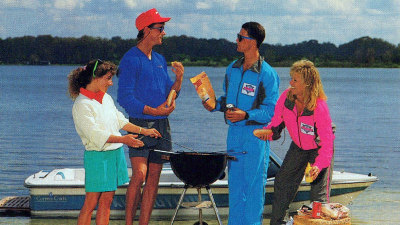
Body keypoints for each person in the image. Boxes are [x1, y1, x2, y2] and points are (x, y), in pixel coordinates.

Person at [202, 22, 280, 225]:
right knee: (235, 189)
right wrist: (214, 105)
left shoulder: (268, 74)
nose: (236, 40)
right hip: (234, 137)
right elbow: (227, 101)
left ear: (253, 42)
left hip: (255, 137)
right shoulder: (232, 69)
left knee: (253, 190)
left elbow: (270, 112)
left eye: (240, 37)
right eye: (238, 36)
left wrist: (246, 115)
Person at [68, 59, 161, 225]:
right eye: (108, 78)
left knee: (107, 201)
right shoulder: (81, 104)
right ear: (95, 78)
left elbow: (120, 121)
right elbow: (95, 134)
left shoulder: (106, 99)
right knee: (91, 203)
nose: (111, 83)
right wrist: (124, 140)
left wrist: (144, 131)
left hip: (114, 154)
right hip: (97, 157)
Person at [117, 8, 184, 225]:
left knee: (154, 177)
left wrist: (179, 80)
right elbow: (124, 98)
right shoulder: (130, 59)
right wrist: (154, 111)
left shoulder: (159, 59)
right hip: (139, 124)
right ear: (146, 30)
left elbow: (169, 95)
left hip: (162, 125)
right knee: (139, 175)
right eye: (160, 28)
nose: (164, 32)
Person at [254, 60, 335, 225]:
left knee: (317, 196)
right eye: (291, 78)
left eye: (295, 80)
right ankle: (278, 223)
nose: (290, 83)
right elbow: (276, 123)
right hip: (298, 147)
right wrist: (267, 133)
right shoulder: (286, 98)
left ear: (307, 84)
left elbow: (326, 145)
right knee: (282, 181)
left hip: (319, 149)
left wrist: (318, 166)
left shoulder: (319, 107)